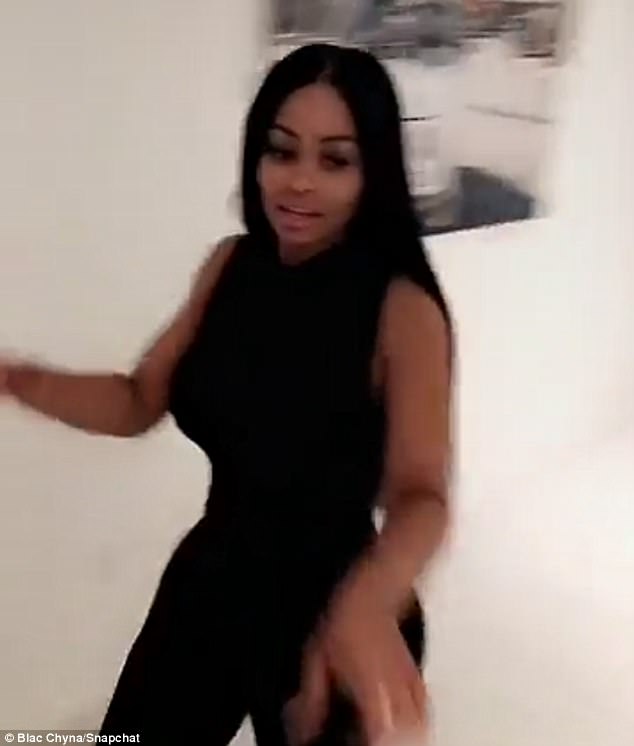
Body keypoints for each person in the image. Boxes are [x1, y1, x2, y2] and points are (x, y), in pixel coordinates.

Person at [0, 44, 454, 745]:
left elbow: (423, 496)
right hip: (215, 581)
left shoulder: (402, 309)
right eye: (282, 150)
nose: (299, 181)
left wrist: (367, 605)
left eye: (335, 160)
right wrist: (17, 379)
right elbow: (137, 400)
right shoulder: (231, 264)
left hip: (336, 608)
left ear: (375, 172)